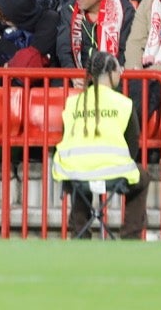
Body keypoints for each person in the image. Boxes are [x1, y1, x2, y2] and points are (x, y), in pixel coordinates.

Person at [50, 52, 147, 240]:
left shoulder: (72, 103)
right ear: (111, 72)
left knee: (76, 175)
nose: (121, 73)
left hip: (75, 175)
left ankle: (79, 232)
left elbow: (66, 138)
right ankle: (130, 236)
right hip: (114, 173)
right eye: (119, 69)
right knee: (142, 178)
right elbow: (133, 145)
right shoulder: (124, 104)